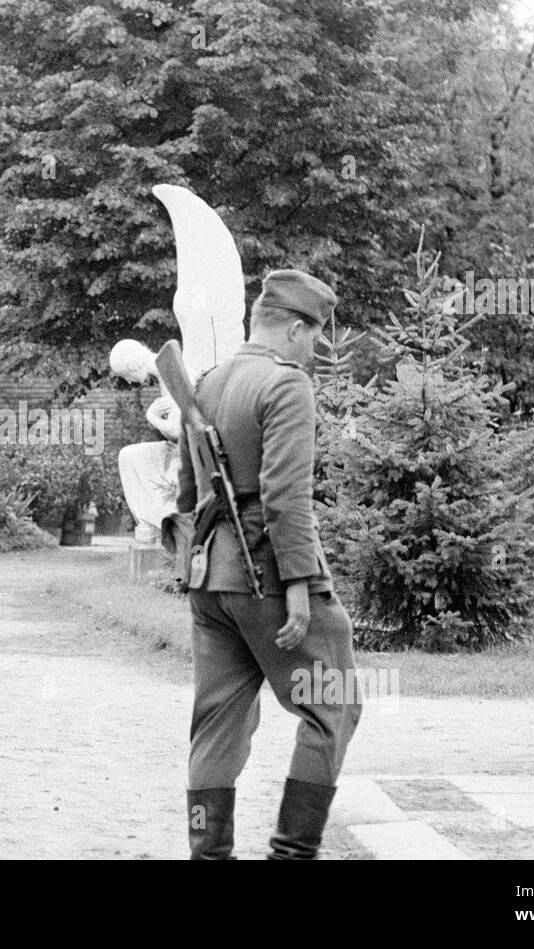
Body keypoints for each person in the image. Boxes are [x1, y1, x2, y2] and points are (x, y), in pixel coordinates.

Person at [176, 269, 362, 860]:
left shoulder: (205, 382)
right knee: (334, 702)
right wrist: (302, 586)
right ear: (297, 328)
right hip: (266, 577)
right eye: (313, 336)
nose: (313, 350)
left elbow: (187, 492)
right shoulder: (287, 386)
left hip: (210, 578)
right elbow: (287, 496)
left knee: (218, 721)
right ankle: (291, 854)